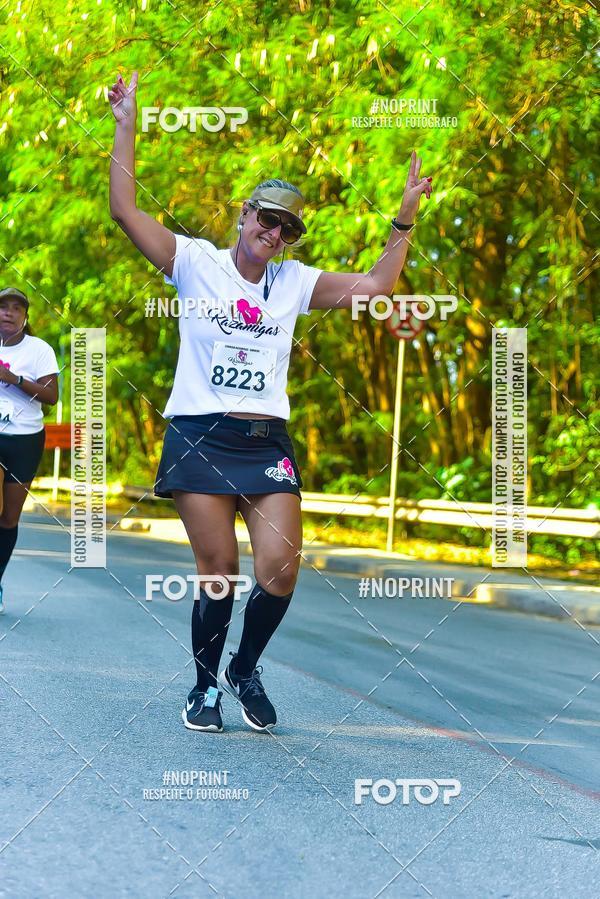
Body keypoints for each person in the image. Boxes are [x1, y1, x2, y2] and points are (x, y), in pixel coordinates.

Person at [108, 71, 432, 733]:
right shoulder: (194, 261)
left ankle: (243, 666)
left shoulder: (295, 283)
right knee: (220, 570)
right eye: (267, 218)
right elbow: (125, 211)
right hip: (200, 435)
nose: (274, 233)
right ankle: (204, 687)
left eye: (287, 228)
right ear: (244, 215)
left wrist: (404, 214)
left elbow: (374, 286)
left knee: (281, 567)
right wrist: (126, 120)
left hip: (265, 443)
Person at [0, 288, 59, 614]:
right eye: (2, 307)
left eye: (15, 309)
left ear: (25, 317)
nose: (8, 313)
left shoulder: (39, 350)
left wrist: (13, 378)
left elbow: (52, 397)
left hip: (26, 438)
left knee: (8, 518)